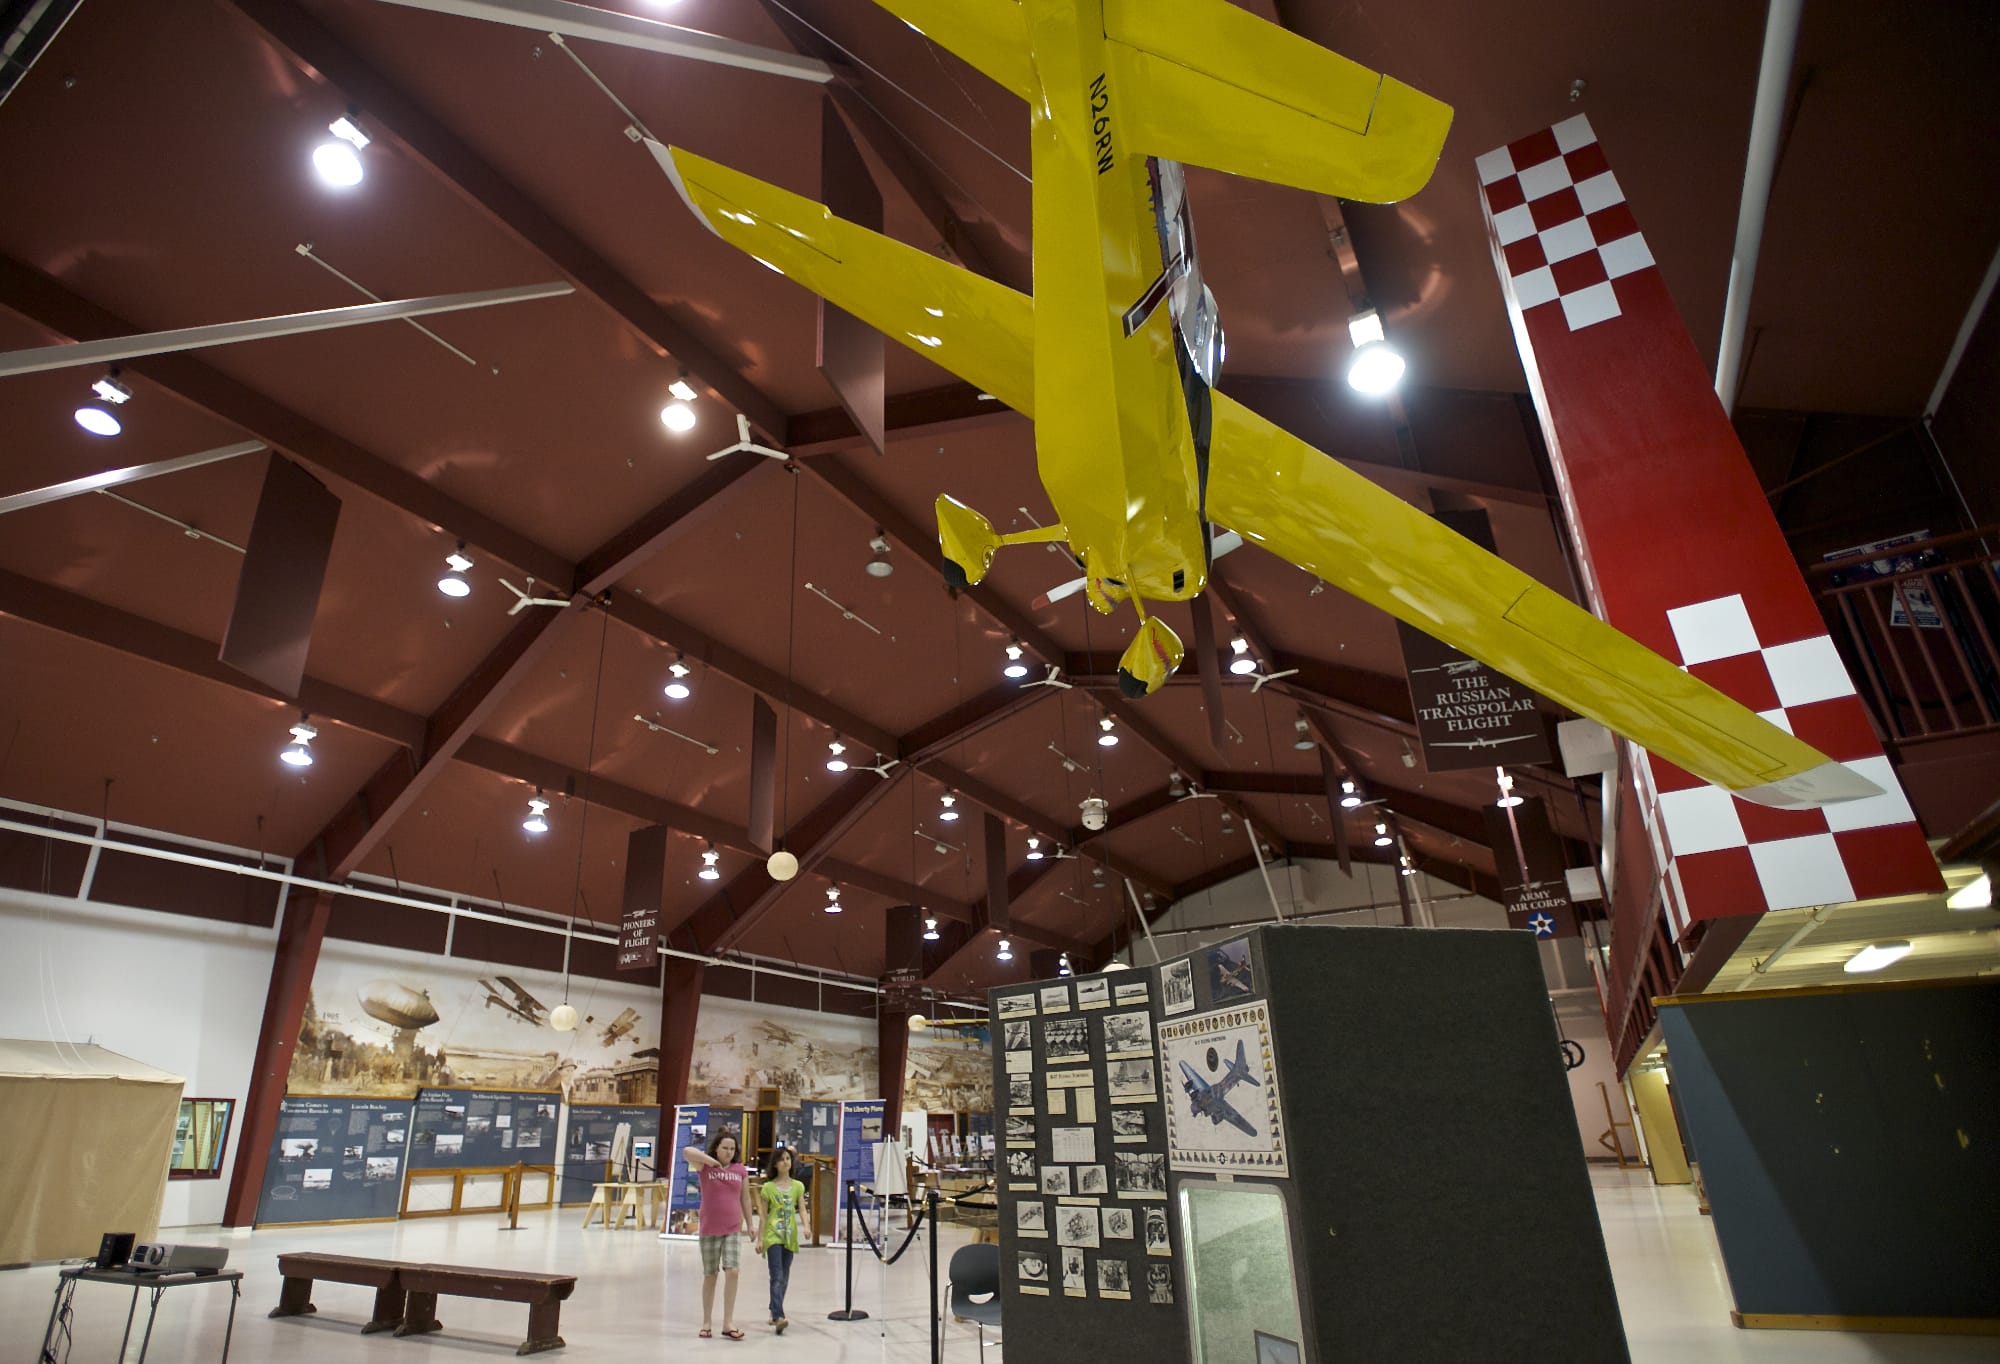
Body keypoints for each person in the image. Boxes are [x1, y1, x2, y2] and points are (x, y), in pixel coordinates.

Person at [683, 1128, 756, 1340]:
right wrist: (710, 1160)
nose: (729, 1152)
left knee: (733, 1270)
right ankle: (706, 1322)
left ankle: (728, 1322)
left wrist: (750, 1224)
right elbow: (687, 1151)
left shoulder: (740, 1170)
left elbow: (746, 1199)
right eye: (725, 1148)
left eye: (732, 1149)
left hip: (732, 1227)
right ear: (716, 1148)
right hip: (709, 1228)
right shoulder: (704, 1166)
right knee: (710, 1274)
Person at [758, 1145, 806, 1332]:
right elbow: (763, 1215)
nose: (786, 1161)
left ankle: (773, 1310)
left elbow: (801, 1208)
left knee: (784, 1276)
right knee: (776, 1275)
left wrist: (807, 1227)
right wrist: (760, 1239)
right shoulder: (768, 1188)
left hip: (789, 1236)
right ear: (775, 1164)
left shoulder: (798, 1186)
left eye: (788, 1158)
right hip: (773, 1236)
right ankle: (779, 1316)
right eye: (782, 1159)